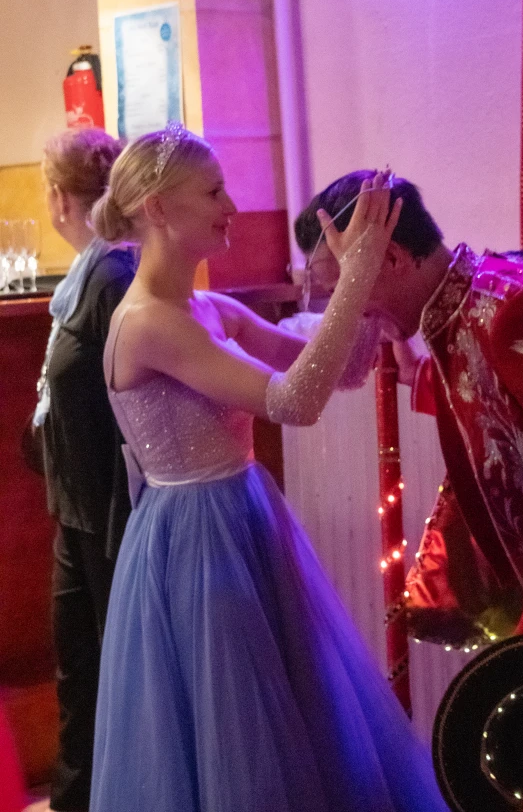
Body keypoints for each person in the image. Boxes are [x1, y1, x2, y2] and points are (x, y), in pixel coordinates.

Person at [88, 125, 448, 812]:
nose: (232, 205)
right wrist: (355, 281)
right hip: (197, 543)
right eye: (213, 191)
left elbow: (343, 369)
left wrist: (351, 278)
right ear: (158, 208)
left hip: (245, 516)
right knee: (234, 735)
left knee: (298, 719)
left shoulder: (207, 308)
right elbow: (293, 402)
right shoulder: (148, 324)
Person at [295, 170, 523, 713]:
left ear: (392, 258)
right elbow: (502, 398)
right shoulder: (466, 306)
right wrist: (418, 373)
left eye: (345, 287)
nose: (345, 309)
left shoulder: (514, 308)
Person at [31, 129, 135, 812]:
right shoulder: (88, 275)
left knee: (110, 675)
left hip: (107, 514)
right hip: (76, 509)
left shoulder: (111, 277)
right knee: (79, 673)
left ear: (60, 198)